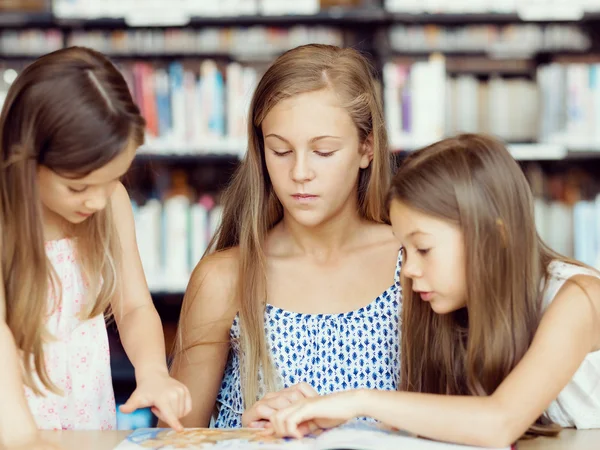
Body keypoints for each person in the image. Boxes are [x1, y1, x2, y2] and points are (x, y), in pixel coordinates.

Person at [269, 134, 600, 448]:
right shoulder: (451, 308)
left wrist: (359, 399)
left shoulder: (580, 298)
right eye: (404, 251)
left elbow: (499, 422)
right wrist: (311, 415)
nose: (409, 270)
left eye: (424, 249)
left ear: (493, 238)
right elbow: (442, 421)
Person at [168, 44, 402, 429]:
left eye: (323, 152)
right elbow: (173, 440)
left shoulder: (413, 265)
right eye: (280, 151)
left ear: (367, 148)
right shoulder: (225, 279)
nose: (300, 172)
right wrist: (245, 436)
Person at [0, 47, 191, 449]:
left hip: (90, 426)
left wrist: (154, 371)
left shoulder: (110, 206)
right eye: (79, 186)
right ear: (24, 162)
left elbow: (135, 306)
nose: (99, 201)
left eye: (113, 178)